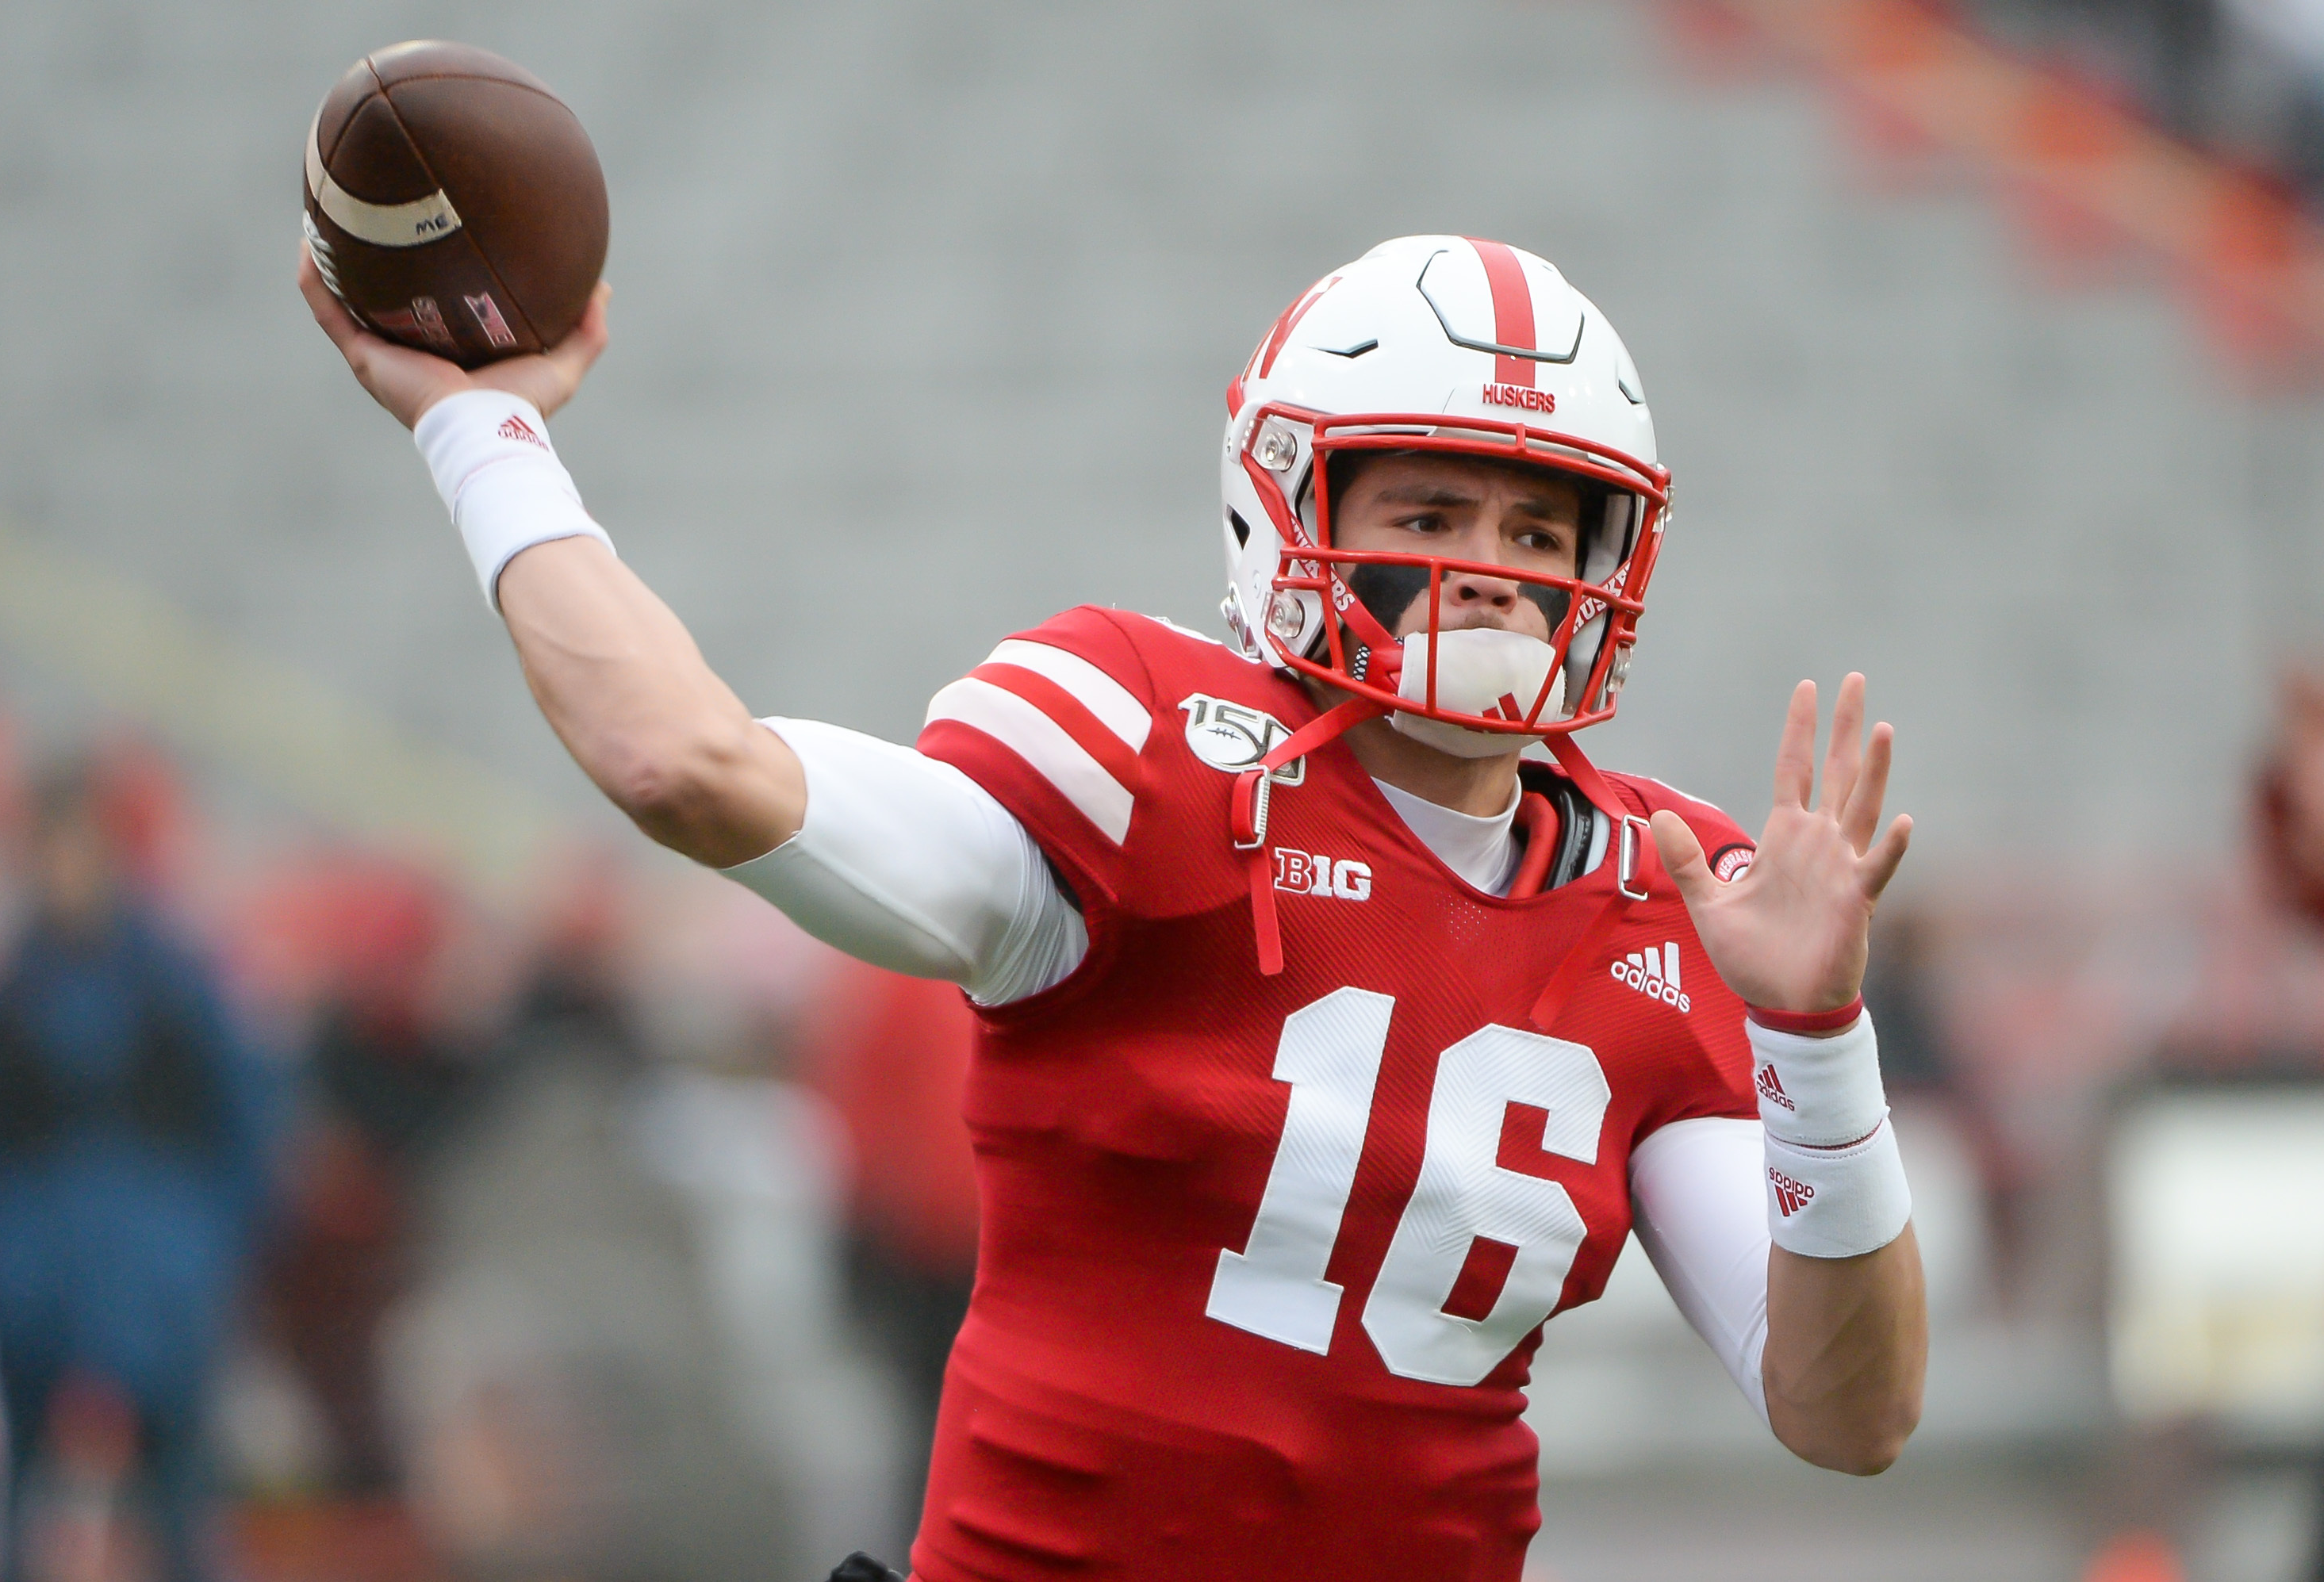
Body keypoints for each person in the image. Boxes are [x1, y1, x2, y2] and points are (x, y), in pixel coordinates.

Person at [301, 232, 1927, 1581]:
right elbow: (684, 763)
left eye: (1531, 523)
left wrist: (1816, 1034)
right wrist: (482, 433)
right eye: (1425, 513)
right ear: (1289, 507)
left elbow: (1845, 1413)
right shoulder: (1142, 743)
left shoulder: (1670, 891)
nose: (1491, 569)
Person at [0, 759, 276, 1582]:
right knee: (21, 1507)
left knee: (178, 1509)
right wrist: (1, 1260)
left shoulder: (178, 986)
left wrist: (199, 1252)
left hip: (156, 1284)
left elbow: (247, 1128)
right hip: (41, 1288)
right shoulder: (0, 1001)